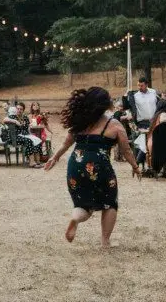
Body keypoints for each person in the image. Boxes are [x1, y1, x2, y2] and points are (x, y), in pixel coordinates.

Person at [44, 87, 140, 248]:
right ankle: (105, 242)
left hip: (75, 164)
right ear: (105, 104)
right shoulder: (114, 124)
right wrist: (135, 166)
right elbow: (126, 150)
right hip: (99, 166)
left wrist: (55, 157)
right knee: (109, 202)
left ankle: (75, 218)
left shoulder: (80, 121)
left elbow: (66, 144)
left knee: (83, 205)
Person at [4, 102, 45, 168]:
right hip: (14, 137)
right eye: (18, 109)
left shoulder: (25, 117)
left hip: (24, 135)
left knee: (38, 140)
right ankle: (31, 162)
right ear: (15, 109)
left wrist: (30, 128)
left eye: (21, 109)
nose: (19, 110)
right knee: (29, 140)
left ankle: (38, 161)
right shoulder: (13, 116)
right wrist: (15, 121)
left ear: (23, 110)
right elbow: (4, 119)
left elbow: (28, 128)